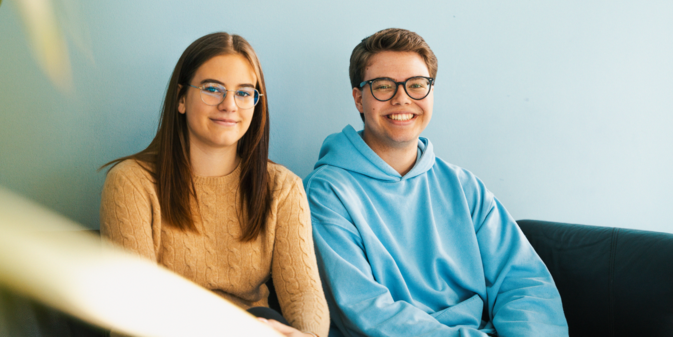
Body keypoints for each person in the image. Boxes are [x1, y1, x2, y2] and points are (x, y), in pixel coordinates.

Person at [304, 28, 568, 337]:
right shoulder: (326, 192)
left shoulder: (464, 187)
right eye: (383, 86)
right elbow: (365, 312)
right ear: (359, 99)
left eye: (416, 85)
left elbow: (525, 284)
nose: (402, 98)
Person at [100, 32, 329, 337]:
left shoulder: (283, 188)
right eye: (212, 89)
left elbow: (304, 293)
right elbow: (137, 306)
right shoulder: (131, 182)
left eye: (244, 93)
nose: (229, 105)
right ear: (181, 98)